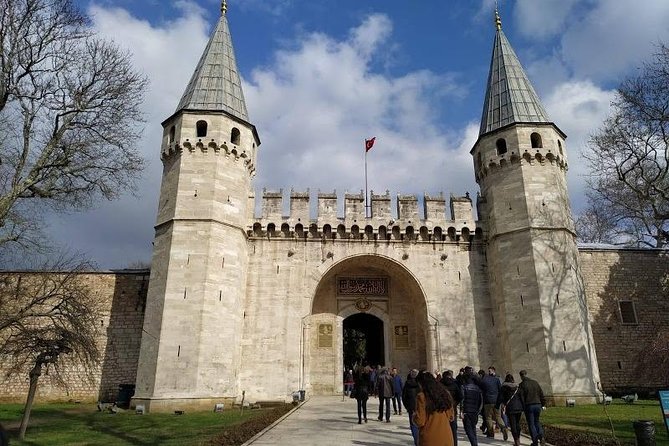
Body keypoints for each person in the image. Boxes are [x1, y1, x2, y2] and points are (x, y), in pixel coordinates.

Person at [413, 371, 455, 446]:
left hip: (430, 437)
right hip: (446, 436)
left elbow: (420, 421)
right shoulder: (445, 393)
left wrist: (414, 416)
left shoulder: (422, 397)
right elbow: (451, 417)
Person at [518, 370, 547, 446]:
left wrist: (523, 408)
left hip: (529, 405)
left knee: (531, 424)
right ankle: (541, 437)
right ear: (526, 374)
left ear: (521, 376)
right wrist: (543, 404)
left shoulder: (522, 384)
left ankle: (535, 441)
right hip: (538, 404)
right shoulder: (535, 382)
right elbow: (541, 393)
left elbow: (521, 397)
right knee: (537, 422)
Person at [482, 366, 507, 440]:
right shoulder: (497, 380)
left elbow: (483, 390)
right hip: (496, 401)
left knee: (488, 418)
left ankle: (491, 433)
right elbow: (500, 391)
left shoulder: (485, 380)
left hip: (487, 401)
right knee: (498, 417)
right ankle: (503, 428)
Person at [460, 367, 483, 446]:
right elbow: (481, 401)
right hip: (475, 411)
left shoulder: (463, 387)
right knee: (473, 428)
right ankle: (474, 443)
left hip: (467, 410)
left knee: (468, 429)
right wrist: (478, 411)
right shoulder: (477, 388)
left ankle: (474, 444)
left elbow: (462, 400)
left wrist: (461, 411)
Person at [500, 373, 524, 446]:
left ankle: (516, 440)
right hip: (519, 408)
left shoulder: (504, 387)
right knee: (517, 423)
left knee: (513, 425)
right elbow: (522, 398)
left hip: (510, 408)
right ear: (513, 379)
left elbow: (501, 398)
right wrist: (523, 407)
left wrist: (500, 405)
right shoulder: (517, 387)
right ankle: (518, 438)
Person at [441, 369, 462, 446]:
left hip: (442, 409)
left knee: (443, 428)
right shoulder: (454, 384)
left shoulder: (440, 385)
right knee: (453, 429)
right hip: (453, 409)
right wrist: (455, 403)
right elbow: (460, 396)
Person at [402, 369, 421, 446]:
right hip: (420, 407)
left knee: (413, 425)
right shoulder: (421, 384)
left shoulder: (407, 383)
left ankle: (417, 442)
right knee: (421, 424)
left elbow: (404, 397)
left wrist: (407, 407)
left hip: (411, 408)